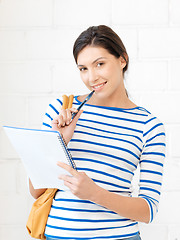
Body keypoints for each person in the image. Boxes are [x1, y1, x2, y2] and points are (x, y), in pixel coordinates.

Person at [29, 25, 166, 240]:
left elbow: (148, 210)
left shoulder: (148, 125)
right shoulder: (61, 111)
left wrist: (94, 194)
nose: (92, 77)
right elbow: (35, 191)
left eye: (100, 64)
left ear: (122, 60)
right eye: (83, 68)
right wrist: (59, 142)